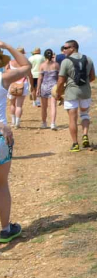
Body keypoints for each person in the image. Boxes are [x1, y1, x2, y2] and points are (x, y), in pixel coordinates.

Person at [0, 40, 32, 242]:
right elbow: (26, 67)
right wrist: (8, 47)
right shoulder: (4, 78)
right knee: (1, 184)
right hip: (1, 136)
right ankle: (5, 230)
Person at [55, 39, 96, 152]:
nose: (63, 50)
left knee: (72, 119)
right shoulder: (88, 59)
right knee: (84, 114)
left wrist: (58, 93)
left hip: (71, 92)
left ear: (73, 48)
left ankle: (75, 144)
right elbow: (92, 77)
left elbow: (60, 80)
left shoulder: (66, 62)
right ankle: (85, 135)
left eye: (66, 48)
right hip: (85, 92)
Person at [6, 48, 34, 128]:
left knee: (12, 104)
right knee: (19, 105)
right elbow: (30, 75)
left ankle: (13, 122)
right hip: (23, 84)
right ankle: (17, 123)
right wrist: (31, 85)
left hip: (12, 84)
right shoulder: (25, 64)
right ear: (23, 54)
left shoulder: (10, 63)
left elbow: (6, 73)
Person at [37, 49, 60, 130]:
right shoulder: (56, 65)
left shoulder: (42, 65)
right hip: (54, 87)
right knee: (53, 106)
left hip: (44, 86)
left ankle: (44, 123)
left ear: (45, 56)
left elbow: (40, 78)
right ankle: (53, 123)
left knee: (44, 106)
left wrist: (38, 89)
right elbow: (59, 77)